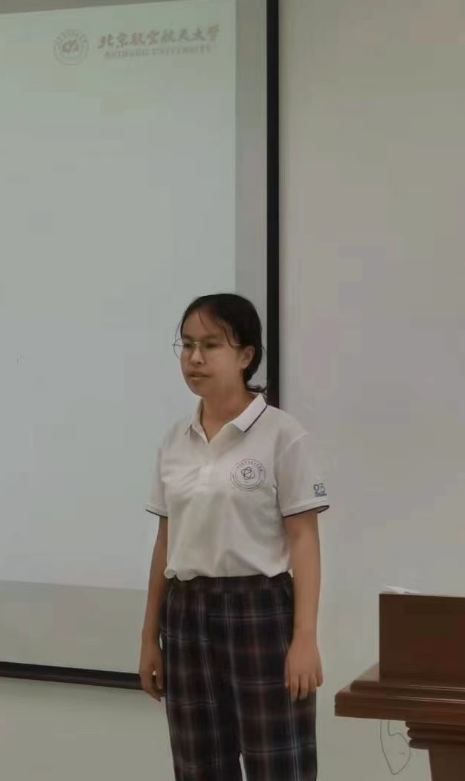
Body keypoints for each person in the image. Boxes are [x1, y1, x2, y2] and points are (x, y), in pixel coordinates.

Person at [138, 293, 328, 781]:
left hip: (259, 612)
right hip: (185, 614)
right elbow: (166, 542)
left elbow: (304, 541)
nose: (195, 358)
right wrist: (149, 637)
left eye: (210, 345)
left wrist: (305, 638)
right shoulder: (175, 439)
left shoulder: (282, 434)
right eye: (187, 345)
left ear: (246, 355)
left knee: (279, 763)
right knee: (198, 765)